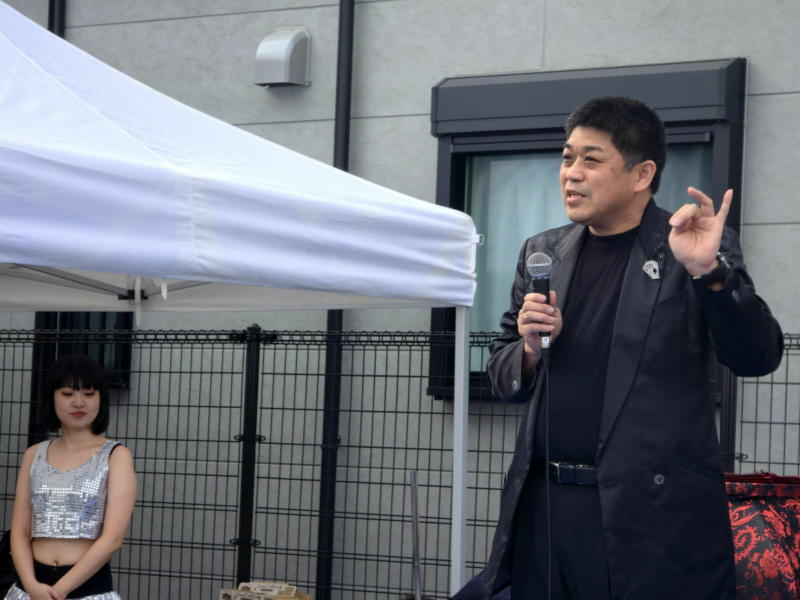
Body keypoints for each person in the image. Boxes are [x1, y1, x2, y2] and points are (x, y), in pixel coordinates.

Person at [482, 97, 783, 599]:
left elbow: (756, 357)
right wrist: (529, 350)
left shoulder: (688, 246)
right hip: (545, 508)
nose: (571, 173)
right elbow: (502, 373)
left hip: (649, 515)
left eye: (591, 159)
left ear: (642, 173)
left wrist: (709, 273)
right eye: (567, 157)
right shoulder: (544, 251)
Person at [5, 355, 136, 600]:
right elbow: (20, 532)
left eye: (89, 394)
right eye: (67, 394)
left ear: (101, 399)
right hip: (29, 588)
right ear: (52, 398)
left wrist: (59, 591)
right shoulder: (34, 454)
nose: (78, 403)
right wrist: (31, 585)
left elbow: (113, 538)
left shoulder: (116, 456)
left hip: (88, 589)